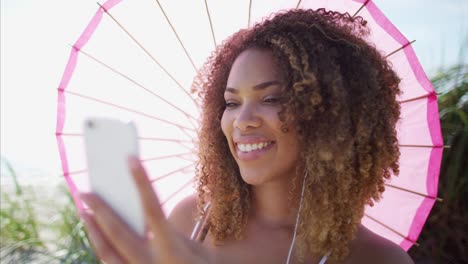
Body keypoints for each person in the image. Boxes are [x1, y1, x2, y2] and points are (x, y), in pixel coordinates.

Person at [80, 8, 415, 264]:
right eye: (231, 102)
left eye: (271, 99)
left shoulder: (378, 258)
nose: (242, 121)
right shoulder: (194, 220)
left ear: (332, 113)